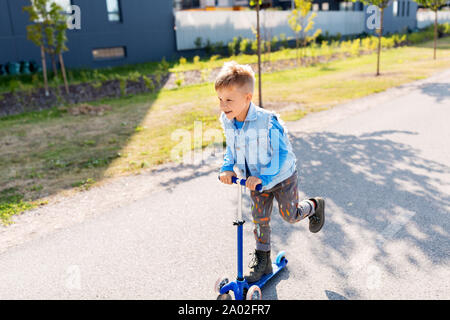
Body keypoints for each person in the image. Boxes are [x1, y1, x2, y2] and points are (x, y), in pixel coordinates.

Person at [216, 61, 325, 282]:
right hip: (255, 182)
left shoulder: (267, 121)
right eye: (219, 99)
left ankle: (314, 205)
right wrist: (227, 167)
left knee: (290, 216)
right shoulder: (227, 120)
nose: (223, 105)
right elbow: (232, 148)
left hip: (282, 177)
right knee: (259, 218)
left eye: (228, 99)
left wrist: (264, 177)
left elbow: (281, 155)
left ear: (247, 98)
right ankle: (263, 260)